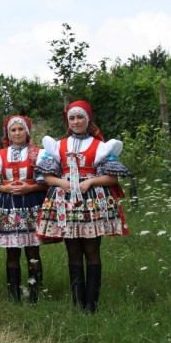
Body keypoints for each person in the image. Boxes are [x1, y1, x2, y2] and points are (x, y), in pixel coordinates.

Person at [35, 100, 129, 313]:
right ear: (67, 121)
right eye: (72, 118)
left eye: (80, 117)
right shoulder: (58, 146)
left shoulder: (99, 147)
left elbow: (112, 178)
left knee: (92, 250)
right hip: (65, 202)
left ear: (88, 120)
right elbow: (47, 178)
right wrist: (62, 183)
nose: (76, 122)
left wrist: (91, 181)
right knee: (73, 252)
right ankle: (78, 303)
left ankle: (91, 304)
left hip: (92, 201)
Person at [0, 115, 49, 304]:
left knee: (32, 250)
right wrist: (5, 188)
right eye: (13, 130)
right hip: (7, 206)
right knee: (11, 251)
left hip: (32, 204)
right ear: (8, 133)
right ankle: (14, 295)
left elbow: (47, 182)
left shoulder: (39, 154)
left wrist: (30, 188)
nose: (17, 133)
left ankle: (34, 294)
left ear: (27, 131)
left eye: (21, 129)